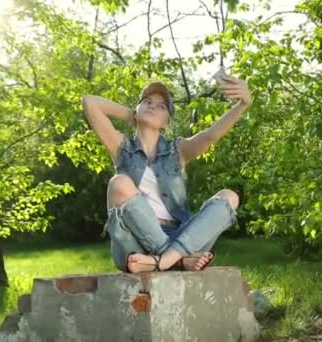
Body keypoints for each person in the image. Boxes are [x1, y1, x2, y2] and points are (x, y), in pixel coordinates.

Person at [82, 74, 251, 273]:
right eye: (147, 102)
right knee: (119, 183)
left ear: (167, 123)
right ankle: (178, 260)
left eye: (161, 106)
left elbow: (211, 135)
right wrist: (133, 115)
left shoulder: (178, 150)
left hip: (182, 237)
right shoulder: (121, 148)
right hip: (134, 243)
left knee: (229, 197)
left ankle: (161, 260)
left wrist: (243, 104)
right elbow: (89, 102)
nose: (152, 106)